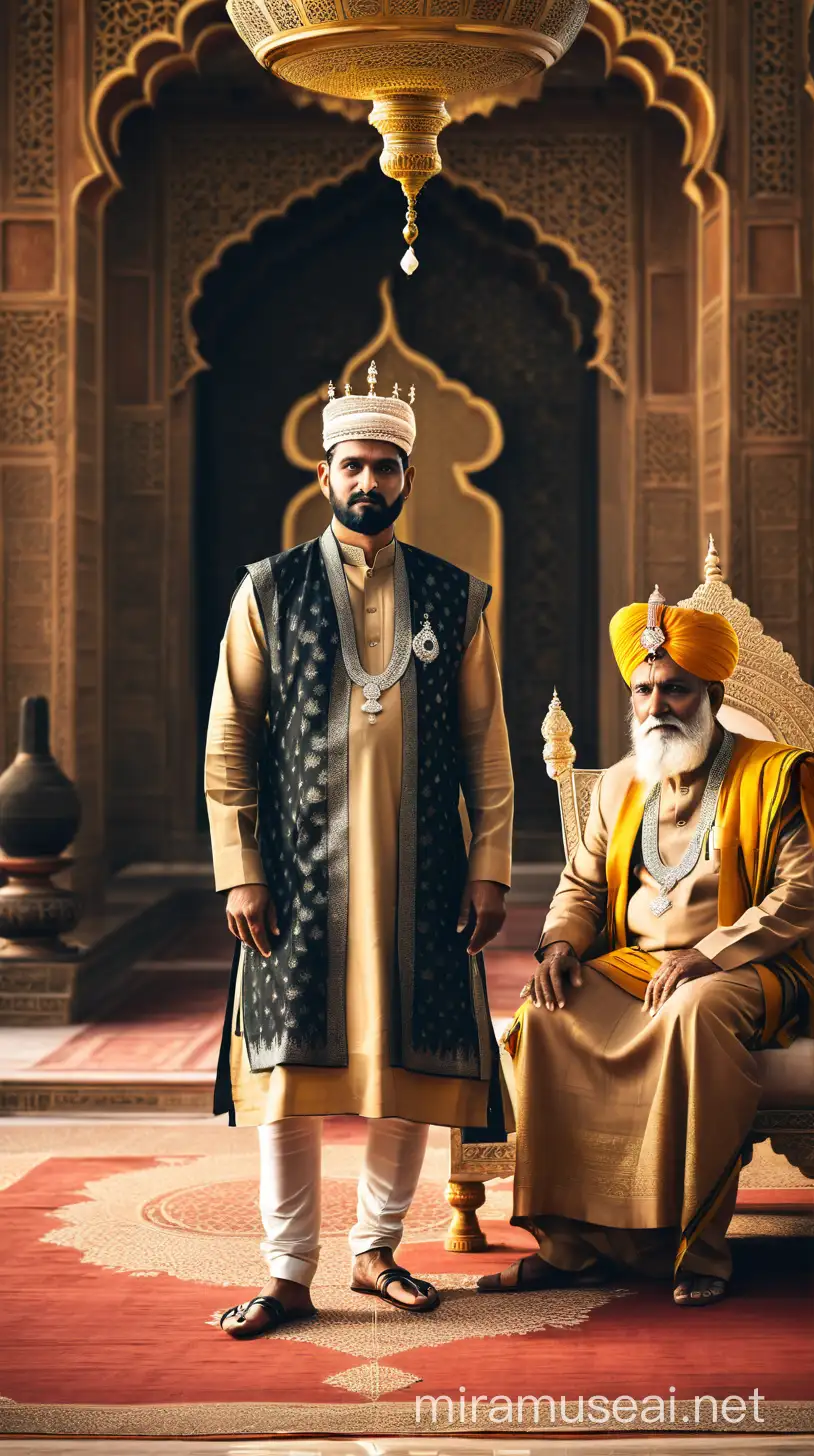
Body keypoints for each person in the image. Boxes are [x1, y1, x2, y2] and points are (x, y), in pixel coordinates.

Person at [205, 363, 513, 1338]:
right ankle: (288, 1273)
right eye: (352, 465)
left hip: (420, 874)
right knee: (289, 1081)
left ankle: (377, 1251)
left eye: (384, 467)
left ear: (408, 478)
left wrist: (491, 862)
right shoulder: (269, 589)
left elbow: (486, 744)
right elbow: (229, 742)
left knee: (409, 1071)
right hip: (294, 877)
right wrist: (238, 867)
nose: (367, 482)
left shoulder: (454, 598)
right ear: (325, 472)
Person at [478, 587, 814, 1308]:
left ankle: (695, 1249)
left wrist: (713, 953)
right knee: (546, 1017)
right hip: (637, 965)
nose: (658, 704)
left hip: (754, 966)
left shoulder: (780, 774)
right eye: (644, 690)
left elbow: (801, 894)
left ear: (712, 694)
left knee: (693, 1013)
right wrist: (560, 946)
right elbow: (582, 885)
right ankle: (571, 1249)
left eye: (676, 690)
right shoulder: (619, 786)